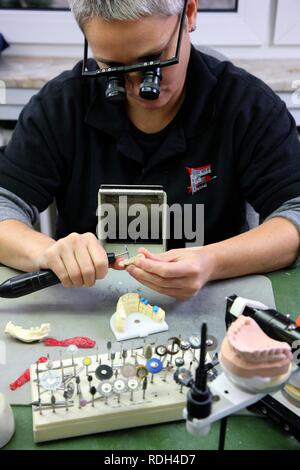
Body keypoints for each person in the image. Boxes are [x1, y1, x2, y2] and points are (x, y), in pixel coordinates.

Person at [0, 0, 299, 300]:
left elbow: (295, 213)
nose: (137, 86)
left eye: (153, 61)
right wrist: (47, 253)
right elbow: (4, 206)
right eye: (113, 68)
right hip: (92, 307)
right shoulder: (61, 107)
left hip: (214, 303)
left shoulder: (246, 106)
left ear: (190, 13)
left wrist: (212, 261)